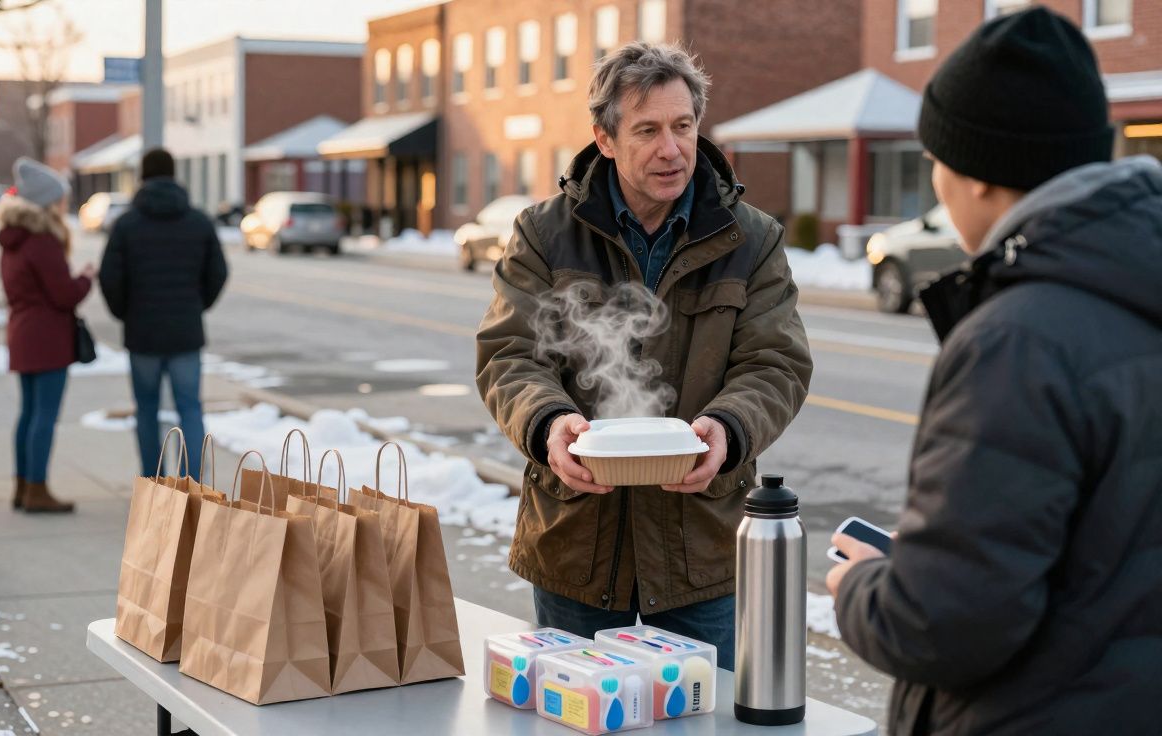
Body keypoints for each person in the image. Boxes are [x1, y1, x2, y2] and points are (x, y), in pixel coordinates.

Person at [827, 8, 1162, 734]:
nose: (937, 183)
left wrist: (862, 587)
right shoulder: (1132, 285)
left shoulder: (1018, 342)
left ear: (978, 174)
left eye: (936, 161)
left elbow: (940, 623)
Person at [475, 42, 812, 667]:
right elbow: (510, 355)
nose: (672, 149)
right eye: (648, 130)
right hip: (577, 538)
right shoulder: (544, 235)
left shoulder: (752, 238)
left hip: (701, 543)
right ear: (605, 139)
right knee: (578, 713)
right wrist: (549, 424)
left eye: (683, 126)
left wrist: (729, 430)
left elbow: (776, 363)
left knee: (699, 716)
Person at [99, 148, 227, 478]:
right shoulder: (197, 221)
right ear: (174, 175)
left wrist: (124, 312)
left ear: (142, 176)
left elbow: (110, 277)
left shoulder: (126, 224)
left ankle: (153, 483)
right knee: (190, 408)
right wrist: (197, 305)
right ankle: (195, 486)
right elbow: (218, 273)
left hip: (142, 333)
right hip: (185, 330)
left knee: (146, 411)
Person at [0, 157, 93, 513]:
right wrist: (85, 278)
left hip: (22, 333)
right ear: (45, 202)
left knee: (28, 414)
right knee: (44, 416)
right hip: (47, 338)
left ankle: (23, 486)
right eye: (59, 199)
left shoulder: (14, 240)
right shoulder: (43, 242)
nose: (63, 205)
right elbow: (64, 294)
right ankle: (37, 488)